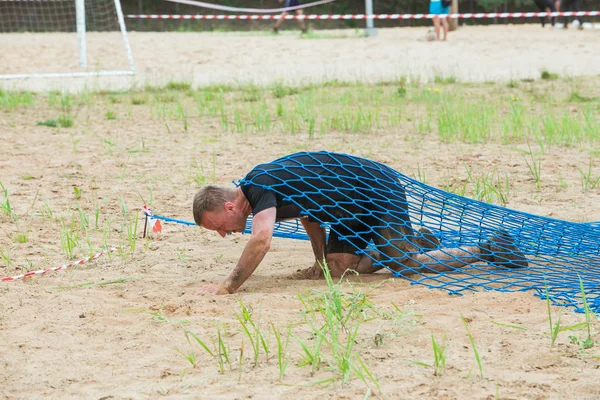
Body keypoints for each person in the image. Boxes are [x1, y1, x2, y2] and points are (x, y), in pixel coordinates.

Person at [193, 152, 528, 295]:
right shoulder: (263, 191)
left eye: (217, 226)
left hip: (375, 191)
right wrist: (319, 262)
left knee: (406, 265)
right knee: (338, 270)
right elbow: (311, 218)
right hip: (347, 207)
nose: (223, 233)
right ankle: (412, 241)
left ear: (227, 205)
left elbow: (261, 240)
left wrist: (228, 285)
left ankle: (487, 249)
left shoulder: (258, 185)